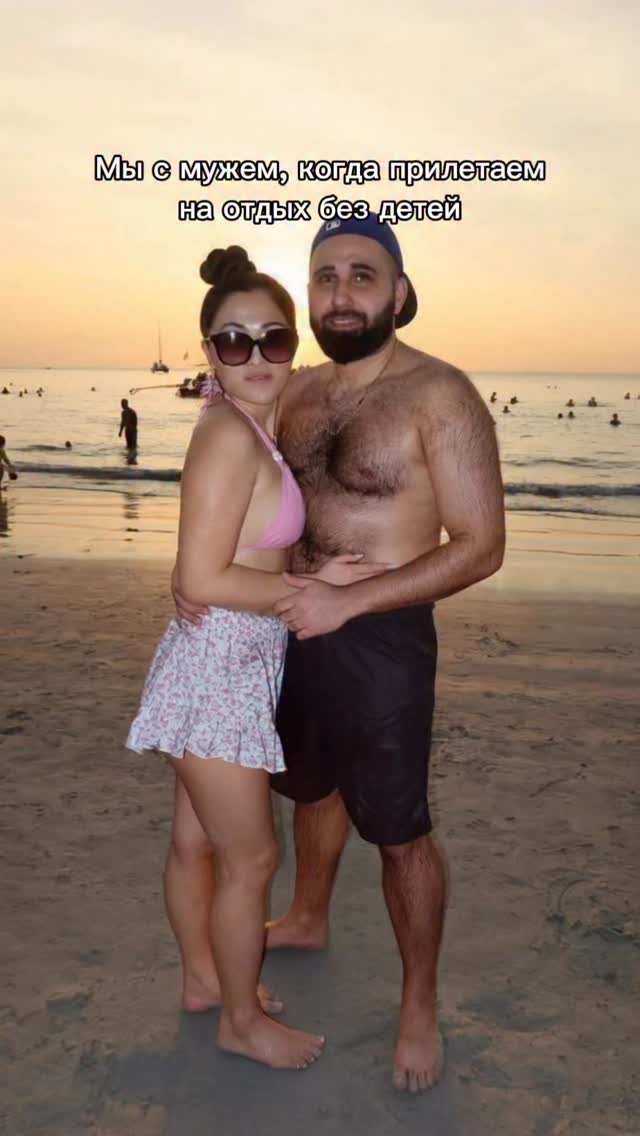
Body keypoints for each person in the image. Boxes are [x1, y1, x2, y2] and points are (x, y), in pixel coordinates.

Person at [174, 215, 505, 1092]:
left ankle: (418, 1005)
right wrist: (193, 570)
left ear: (400, 292)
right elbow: (233, 478)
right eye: (325, 276)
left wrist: (347, 598)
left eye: (363, 275)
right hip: (287, 629)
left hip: (380, 640)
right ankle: (309, 915)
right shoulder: (297, 390)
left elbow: (481, 545)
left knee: (399, 831)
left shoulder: (441, 395)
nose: (342, 293)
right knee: (310, 787)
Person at [127, 246, 385, 1071]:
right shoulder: (227, 439)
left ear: (292, 343)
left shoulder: (243, 425)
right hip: (220, 672)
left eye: (273, 338)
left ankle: (205, 980)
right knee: (253, 857)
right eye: (234, 342)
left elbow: (215, 557)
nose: (256, 356)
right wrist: (308, 591)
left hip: (220, 660)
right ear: (210, 352)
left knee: (195, 844)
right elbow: (203, 575)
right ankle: (239, 1020)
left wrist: (298, 576)